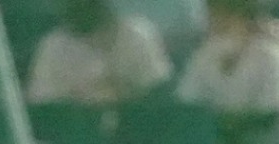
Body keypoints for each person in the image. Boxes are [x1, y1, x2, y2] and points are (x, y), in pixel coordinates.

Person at [175, 0, 279, 138]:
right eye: (214, 15)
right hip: (224, 139)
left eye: (225, 16)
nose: (216, 23)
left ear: (243, 17)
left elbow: (272, 118)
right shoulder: (207, 53)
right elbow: (187, 102)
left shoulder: (273, 56)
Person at [26, 0, 172, 107]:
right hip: (78, 135)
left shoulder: (138, 35)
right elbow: (42, 103)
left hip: (136, 132)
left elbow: (159, 91)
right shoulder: (52, 46)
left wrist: (122, 91)